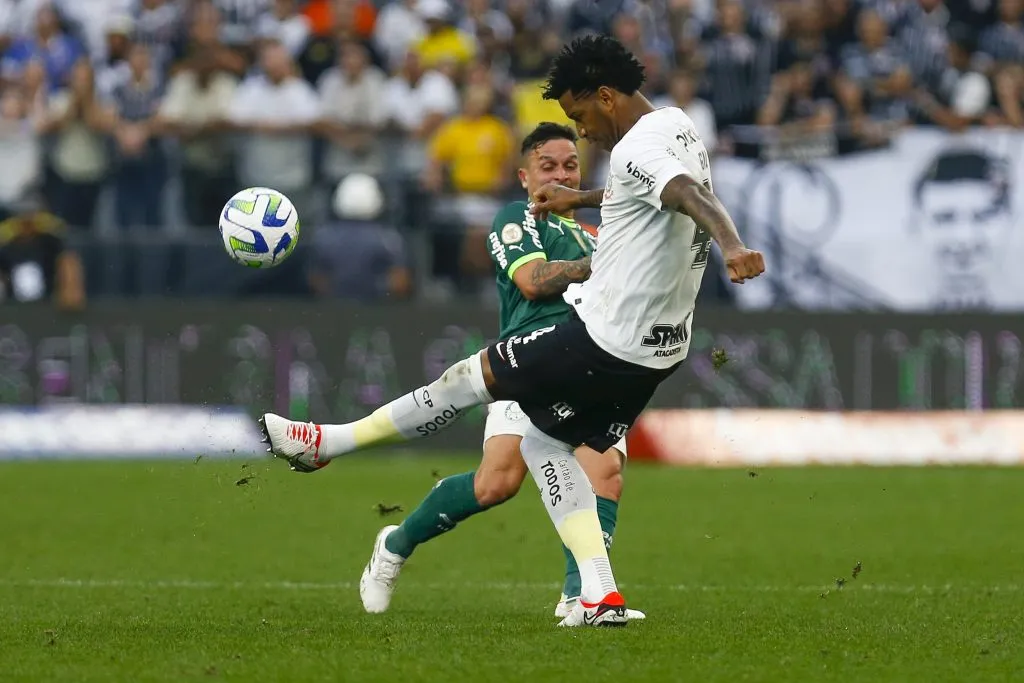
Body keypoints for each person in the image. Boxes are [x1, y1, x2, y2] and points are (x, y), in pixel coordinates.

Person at [261, 35, 765, 627]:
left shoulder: (635, 152)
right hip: (660, 350)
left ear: (605, 96)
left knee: (467, 379)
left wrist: (732, 245)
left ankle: (328, 444)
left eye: (580, 118)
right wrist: (581, 197)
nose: (585, 133)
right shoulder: (676, 126)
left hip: (601, 340)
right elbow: (651, 191)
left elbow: (684, 193)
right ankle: (597, 597)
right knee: (547, 448)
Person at [352, 122, 643, 621]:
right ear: (525, 176)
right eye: (547, 166)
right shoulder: (516, 218)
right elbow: (532, 283)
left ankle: (580, 598)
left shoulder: (600, 231)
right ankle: (395, 545)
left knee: (605, 471)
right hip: (527, 364)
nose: (560, 174)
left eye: (570, 165)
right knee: (497, 483)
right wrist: (601, 265)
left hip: (594, 365)